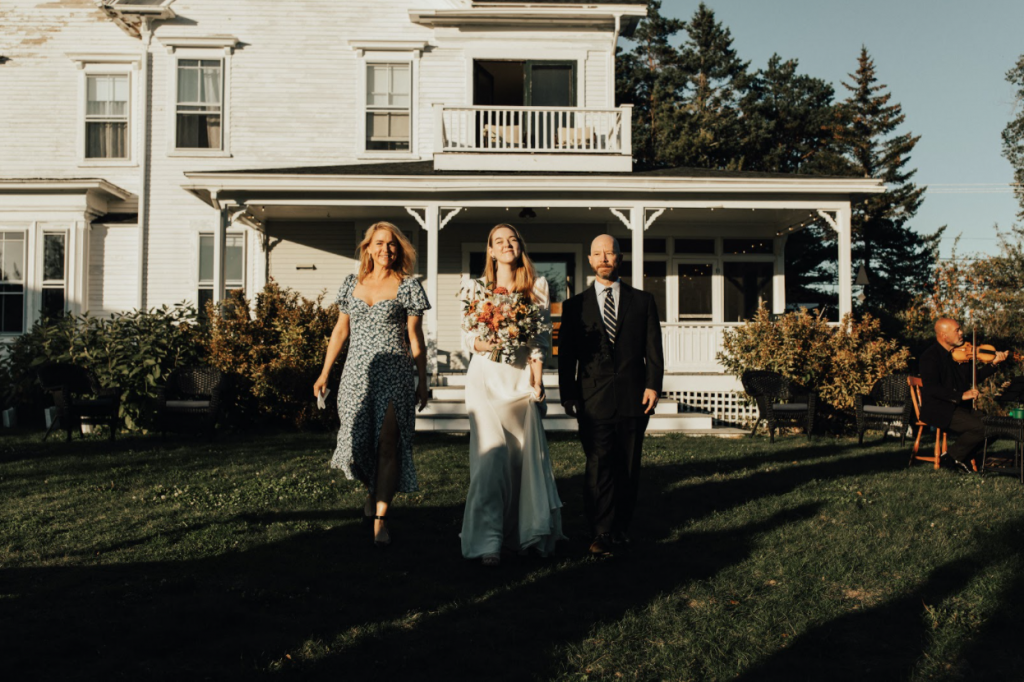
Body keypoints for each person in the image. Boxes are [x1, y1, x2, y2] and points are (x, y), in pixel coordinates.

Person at [314, 221, 430, 547]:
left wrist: (422, 380)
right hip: (356, 374)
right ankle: (372, 489)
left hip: (394, 373)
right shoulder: (351, 283)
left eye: (392, 245)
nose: (386, 250)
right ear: (367, 248)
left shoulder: (409, 286)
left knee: (387, 443)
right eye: (379, 243)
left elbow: (415, 339)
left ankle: (381, 517)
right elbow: (340, 331)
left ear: (399, 250)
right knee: (358, 442)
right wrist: (324, 374)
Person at [460, 223, 565, 567]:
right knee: (489, 463)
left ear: (520, 246)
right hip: (484, 381)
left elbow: (540, 342)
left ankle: (522, 535)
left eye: (513, 239)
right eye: (499, 241)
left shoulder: (537, 287)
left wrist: (538, 382)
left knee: (521, 463)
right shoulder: (474, 288)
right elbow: (466, 338)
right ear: (489, 250)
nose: (507, 245)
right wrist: (481, 342)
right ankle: (487, 541)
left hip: (519, 381)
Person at [558, 234, 664, 556]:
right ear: (590, 260)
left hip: (634, 397)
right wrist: (569, 394)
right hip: (593, 399)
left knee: (628, 466)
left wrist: (653, 385)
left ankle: (620, 529)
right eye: (598, 253)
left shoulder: (643, 301)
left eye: (610, 252)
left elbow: (653, 349)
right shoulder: (574, 306)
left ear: (620, 258)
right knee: (599, 464)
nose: (604, 258)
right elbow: (567, 355)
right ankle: (601, 532)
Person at [919, 317, 1008, 473]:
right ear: (944, 335)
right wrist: (961, 395)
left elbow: (975, 378)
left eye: (960, 329)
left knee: (995, 427)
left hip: (960, 408)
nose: (962, 333)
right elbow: (932, 388)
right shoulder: (930, 357)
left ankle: (961, 457)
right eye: (957, 330)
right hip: (939, 408)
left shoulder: (959, 355)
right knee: (981, 428)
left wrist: (993, 364)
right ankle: (951, 457)